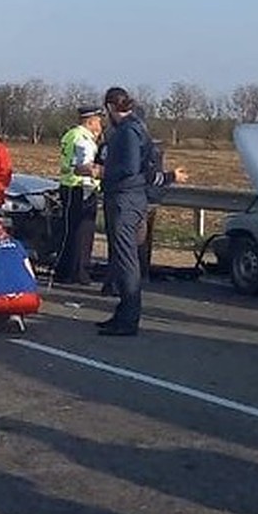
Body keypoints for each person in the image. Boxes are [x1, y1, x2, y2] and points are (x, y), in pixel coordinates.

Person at [97, 88, 188, 337]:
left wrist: (100, 172)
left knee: (126, 260)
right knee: (126, 258)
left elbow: (128, 168)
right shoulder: (138, 128)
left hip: (125, 199)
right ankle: (123, 312)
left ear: (109, 108)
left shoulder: (126, 132)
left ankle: (128, 319)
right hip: (133, 199)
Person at [54, 107, 103, 286]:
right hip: (79, 185)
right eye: (98, 120)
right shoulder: (82, 138)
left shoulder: (71, 134)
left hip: (72, 185)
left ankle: (70, 270)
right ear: (90, 121)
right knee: (80, 233)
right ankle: (76, 272)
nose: (100, 124)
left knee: (74, 231)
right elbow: (85, 165)